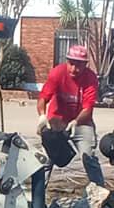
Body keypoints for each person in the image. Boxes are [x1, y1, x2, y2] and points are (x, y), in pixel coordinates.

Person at [36, 44, 105, 185]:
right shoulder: (57, 73)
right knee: (46, 159)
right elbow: (43, 97)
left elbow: (88, 108)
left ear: (85, 64)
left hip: (81, 121)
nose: (74, 69)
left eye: (79, 65)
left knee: (89, 157)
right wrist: (42, 116)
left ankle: (100, 192)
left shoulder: (90, 78)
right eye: (71, 64)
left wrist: (75, 122)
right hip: (57, 120)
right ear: (67, 61)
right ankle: (37, 197)